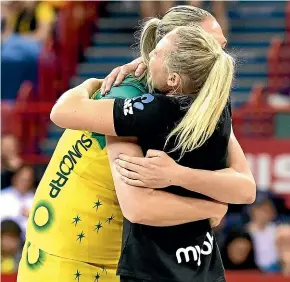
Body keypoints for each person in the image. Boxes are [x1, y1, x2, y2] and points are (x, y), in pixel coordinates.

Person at [18, 6, 254, 282]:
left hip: (119, 260)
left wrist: (180, 176)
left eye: (221, 48)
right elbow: (139, 206)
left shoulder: (207, 99)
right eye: (208, 46)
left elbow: (243, 185)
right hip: (70, 259)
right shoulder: (129, 95)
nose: (218, 59)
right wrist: (211, 209)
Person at [1, 165, 35, 234]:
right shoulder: (2, 197)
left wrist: (31, 216)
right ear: (15, 178)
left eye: (28, 180)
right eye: (22, 179)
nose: (24, 183)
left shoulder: (35, 200)